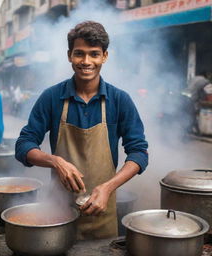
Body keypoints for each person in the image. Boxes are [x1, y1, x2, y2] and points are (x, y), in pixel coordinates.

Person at [15, 21, 148, 240]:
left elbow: (139, 153)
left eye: (94, 54)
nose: (86, 62)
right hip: (57, 215)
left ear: (104, 56)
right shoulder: (51, 97)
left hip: (102, 215)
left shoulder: (119, 100)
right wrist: (56, 161)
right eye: (79, 54)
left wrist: (108, 188)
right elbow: (24, 145)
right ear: (69, 55)